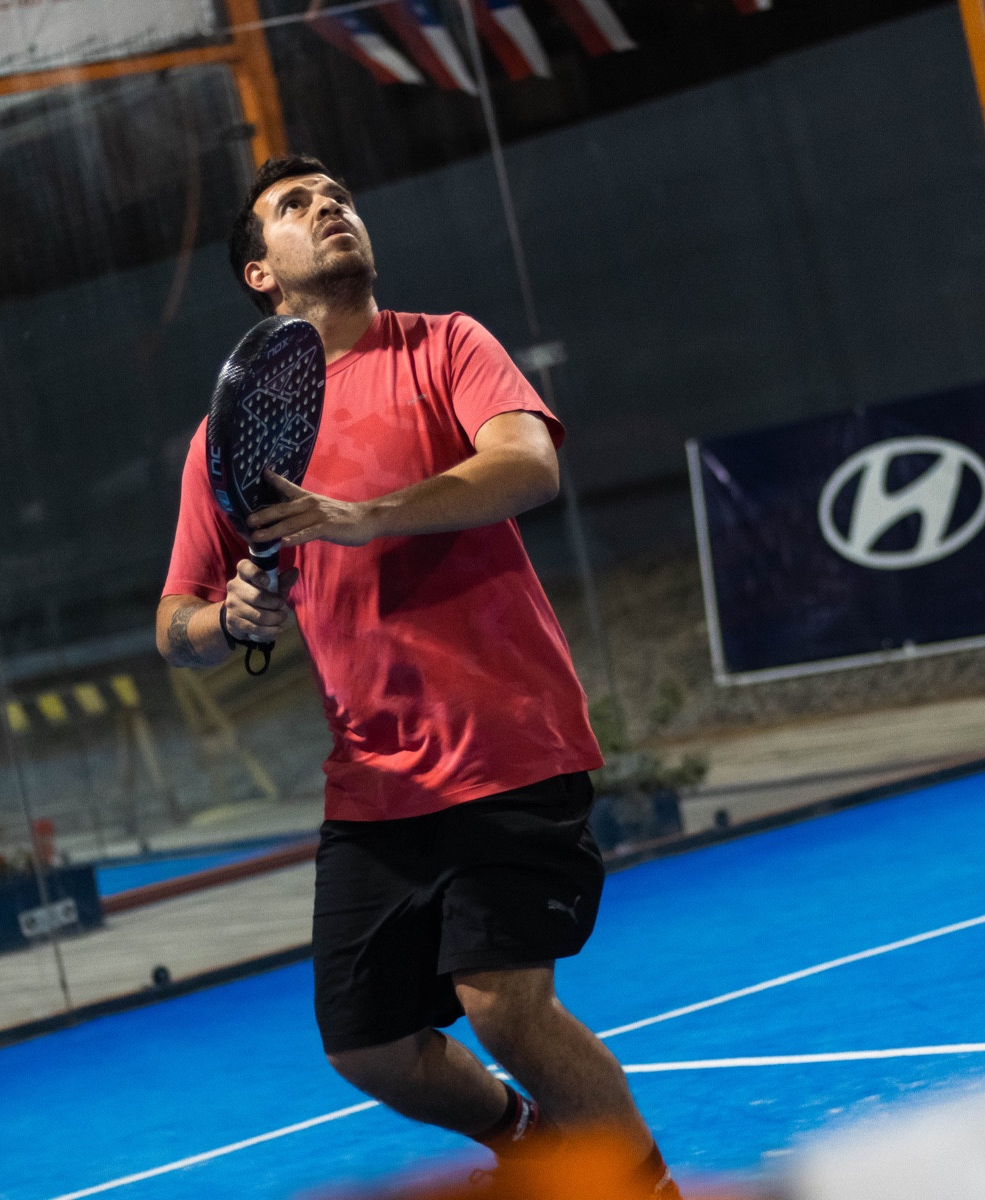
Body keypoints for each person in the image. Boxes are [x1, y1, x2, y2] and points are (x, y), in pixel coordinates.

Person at [156, 155, 678, 1196]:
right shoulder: (228, 438)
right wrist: (226, 617)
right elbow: (176, 625)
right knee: (369, 1047)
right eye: (297, 207)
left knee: (503, 1006)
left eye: (339, 197)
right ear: (261, 273)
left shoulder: (445, 345)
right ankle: (527, 1144)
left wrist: (367, 516)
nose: (329, 209)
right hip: (374, 782)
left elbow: (527, 463)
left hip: (507, 742)